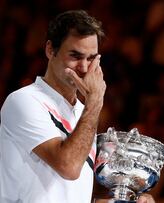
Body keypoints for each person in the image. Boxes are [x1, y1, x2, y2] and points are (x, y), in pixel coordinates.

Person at [0, 10, 154, 203]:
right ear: (50, 50)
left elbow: (67, 193)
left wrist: (121, 201)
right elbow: (69, 167)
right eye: (75, 56)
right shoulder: (24, 101)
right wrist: (95, 101)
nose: (83, 68)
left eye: (91, 58)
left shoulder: (83, 113)